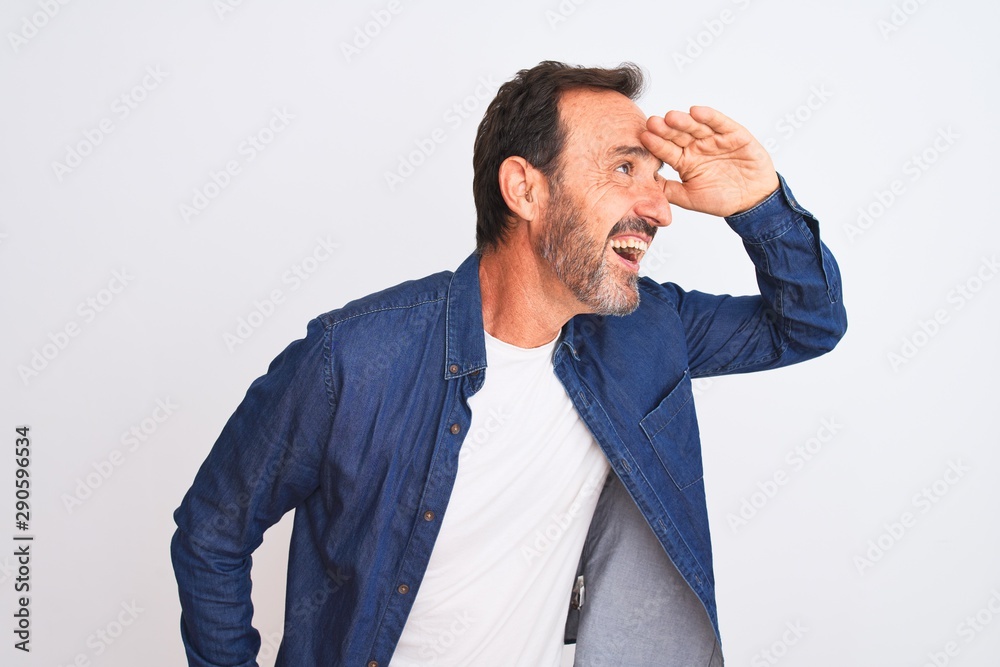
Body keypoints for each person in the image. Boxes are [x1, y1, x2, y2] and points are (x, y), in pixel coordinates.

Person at [171, 60, 847, 666]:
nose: (658, 208)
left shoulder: (647, 332)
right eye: (622, 169)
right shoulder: (353, 358)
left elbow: (807, 323)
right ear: (525, 189)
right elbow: (213, 529)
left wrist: (761, 207)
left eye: (655, 175)